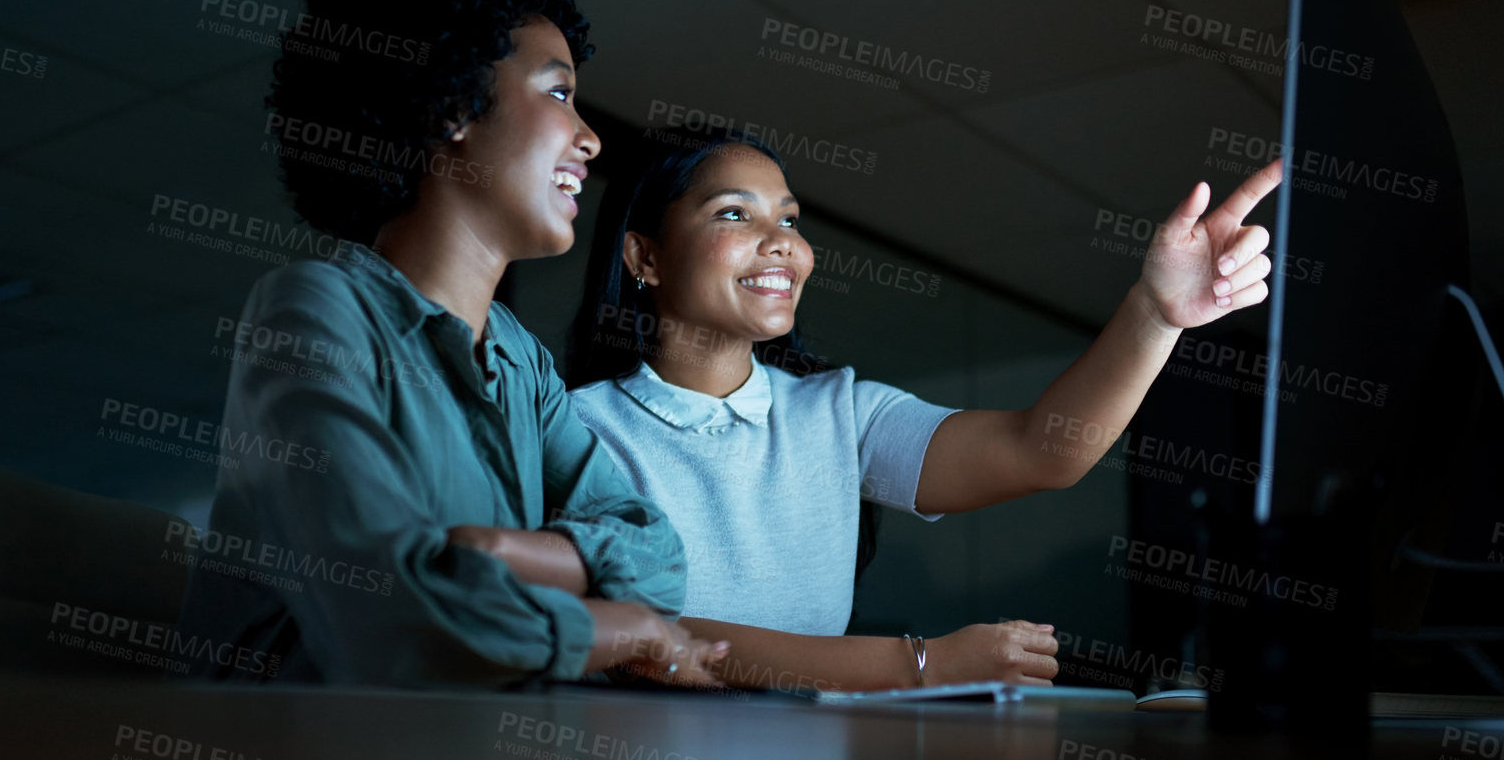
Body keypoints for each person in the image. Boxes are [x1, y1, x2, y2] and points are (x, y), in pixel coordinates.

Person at [173, 0, 726, 688]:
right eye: (559, 93)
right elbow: (389, 622)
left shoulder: (518, 358)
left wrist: (492, 554)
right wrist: (618, 628)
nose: (591, 138)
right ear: (450, 108)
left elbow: (658, 556)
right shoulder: (313, 308)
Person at [549, 129, 1282, 692]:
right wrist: (919, 665)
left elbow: (1042, 450)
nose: (783, 243)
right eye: (734, 213)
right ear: (643, 257)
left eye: (791, 219)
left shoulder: (839, 413)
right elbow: (641, 639)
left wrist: (1155, 314)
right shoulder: (569, 427)